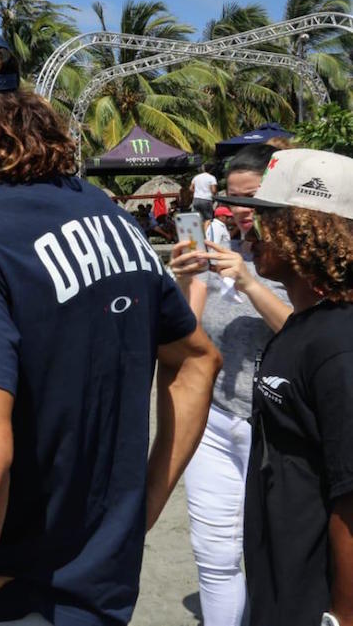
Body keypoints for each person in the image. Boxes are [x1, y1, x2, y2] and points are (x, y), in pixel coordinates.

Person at [0, 13, 221, 626]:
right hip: (107, 595)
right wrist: (140, 512)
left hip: (17, 602)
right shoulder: (107, 215)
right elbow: (197, 361)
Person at [214, 148, 353, 626]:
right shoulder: (304, 326)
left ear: (307, 229)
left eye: (268, 216)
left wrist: (343, 616)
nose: (252, 228)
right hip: (280, 584)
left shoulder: (339, 345)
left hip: (318, 601)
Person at [168, 144, 292, 626]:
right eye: (234, 199)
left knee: (280, 550)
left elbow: (314, 338)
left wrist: (251, 284)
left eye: (253, 197)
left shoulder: (302, 254)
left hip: (278, 422)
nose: (242, 210)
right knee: (215, 553)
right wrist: (184, 280)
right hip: (216, 419)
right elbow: (188, 333)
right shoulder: (222, 250)